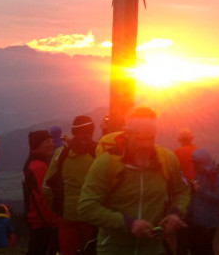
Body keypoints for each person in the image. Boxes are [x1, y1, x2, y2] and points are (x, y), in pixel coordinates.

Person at [78, 107, 191, 255]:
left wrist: (176, 213)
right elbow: (86, 207)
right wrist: (127, 223)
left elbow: (182, 190)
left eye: (150, 138)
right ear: (127, 134)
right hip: (113, 250)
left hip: (153, 249)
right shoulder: (107, 163)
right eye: (140, 138)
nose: (146, 144)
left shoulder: (167, 160)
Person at [44, 116, 99, 255]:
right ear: (91, 131)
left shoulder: (61, 153)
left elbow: (46, 188)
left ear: (74, 132)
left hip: (66, 215)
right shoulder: (99, 152)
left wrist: (57, 208)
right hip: (92, 216)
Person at [23, 130, 60, 255]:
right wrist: (54, 221)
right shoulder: (38, 167)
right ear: (37, 145)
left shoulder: (31, 163)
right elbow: (42, 198)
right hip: (42, 223)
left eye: (51, 141)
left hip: (36, 222)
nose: (51, 144)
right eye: (47, 142)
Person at [188, 148, 219, 255]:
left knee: (205, 249)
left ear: (203, 162)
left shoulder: (218, 176)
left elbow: (218, 197)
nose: (194, 166)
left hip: (209, 222)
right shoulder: (200, 173)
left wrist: (199, 189)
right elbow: (198, 187)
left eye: (196, 163)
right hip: (197, 220)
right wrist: (193, 184)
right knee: (195, 248)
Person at [173, 128, 199, 255]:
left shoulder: (177, 152)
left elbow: (174, 172)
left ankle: (182, 250)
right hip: (198, 188)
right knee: (196, 220)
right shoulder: (198, 151)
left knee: (183, 219)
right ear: (191, 138)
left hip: (183, 189)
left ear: (180, 140)